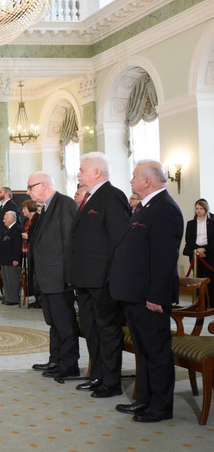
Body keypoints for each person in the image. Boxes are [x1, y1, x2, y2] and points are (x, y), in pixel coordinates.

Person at [110, 160, 183, 423]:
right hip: (135, 293)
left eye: (134, 177)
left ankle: (161, 406)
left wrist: (155, 295)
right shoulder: (146, 206)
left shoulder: (164, 208)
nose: (130, 181)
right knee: (143, 350)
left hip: (149, 297)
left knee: (157, 351)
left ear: (147, 181)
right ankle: (144, 400)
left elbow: (164, 259)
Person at [69, 152, 131, 398]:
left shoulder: (113, 196)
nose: (78, 173)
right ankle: (98, 376)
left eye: (82, 169)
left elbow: (119, 242)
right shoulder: (90, 198)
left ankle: (111, 382)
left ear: (97, 172)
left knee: (107, 331)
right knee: (91, 330)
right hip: (85, 280)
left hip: (102, 280)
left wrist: (111, 278)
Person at [27, 172, 79, 380]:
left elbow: (70, 242)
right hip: (47, 276)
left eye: (31, 186)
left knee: (64, 322)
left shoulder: (64, 204)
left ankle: (69, 364)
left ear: (45, 184)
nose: (28, 191)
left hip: (59, 277)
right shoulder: (46, 207)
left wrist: (69, 276)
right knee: (53, 321)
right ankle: (55, 359)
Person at [182, 198, 214, 306]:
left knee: (210, 278)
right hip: (195, 253)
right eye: (196, 208)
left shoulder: (212, 222)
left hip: (209, 253)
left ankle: (212, 303)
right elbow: (189, 239)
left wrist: (204, 249)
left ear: (206, 210)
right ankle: (200, 303)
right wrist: (197, 250)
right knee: (198, 278)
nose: (198, 211)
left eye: (201, 208)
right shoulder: (190, 223)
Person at [0, 210, 23, 306]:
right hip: (5, 258)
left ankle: (13, 299)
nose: (3, 220)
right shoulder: (7, 229)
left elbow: (17, 245)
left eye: (5, 218)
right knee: (6, 279)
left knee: (12, 279)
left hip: (12, 259)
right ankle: (8, 297)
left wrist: (16, 259)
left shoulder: (17, 229)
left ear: (12, 219)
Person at [20, 200, 40, 308]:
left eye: (24, 208)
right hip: (27, 250)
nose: (22, 210)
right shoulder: (26, 220)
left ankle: (40, 299)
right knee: (31, 275)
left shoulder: (38, 219)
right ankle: (36, 298)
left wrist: (26, 236)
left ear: (30, 208)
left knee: (37, 276)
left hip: (37, 250)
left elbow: (36, 235)